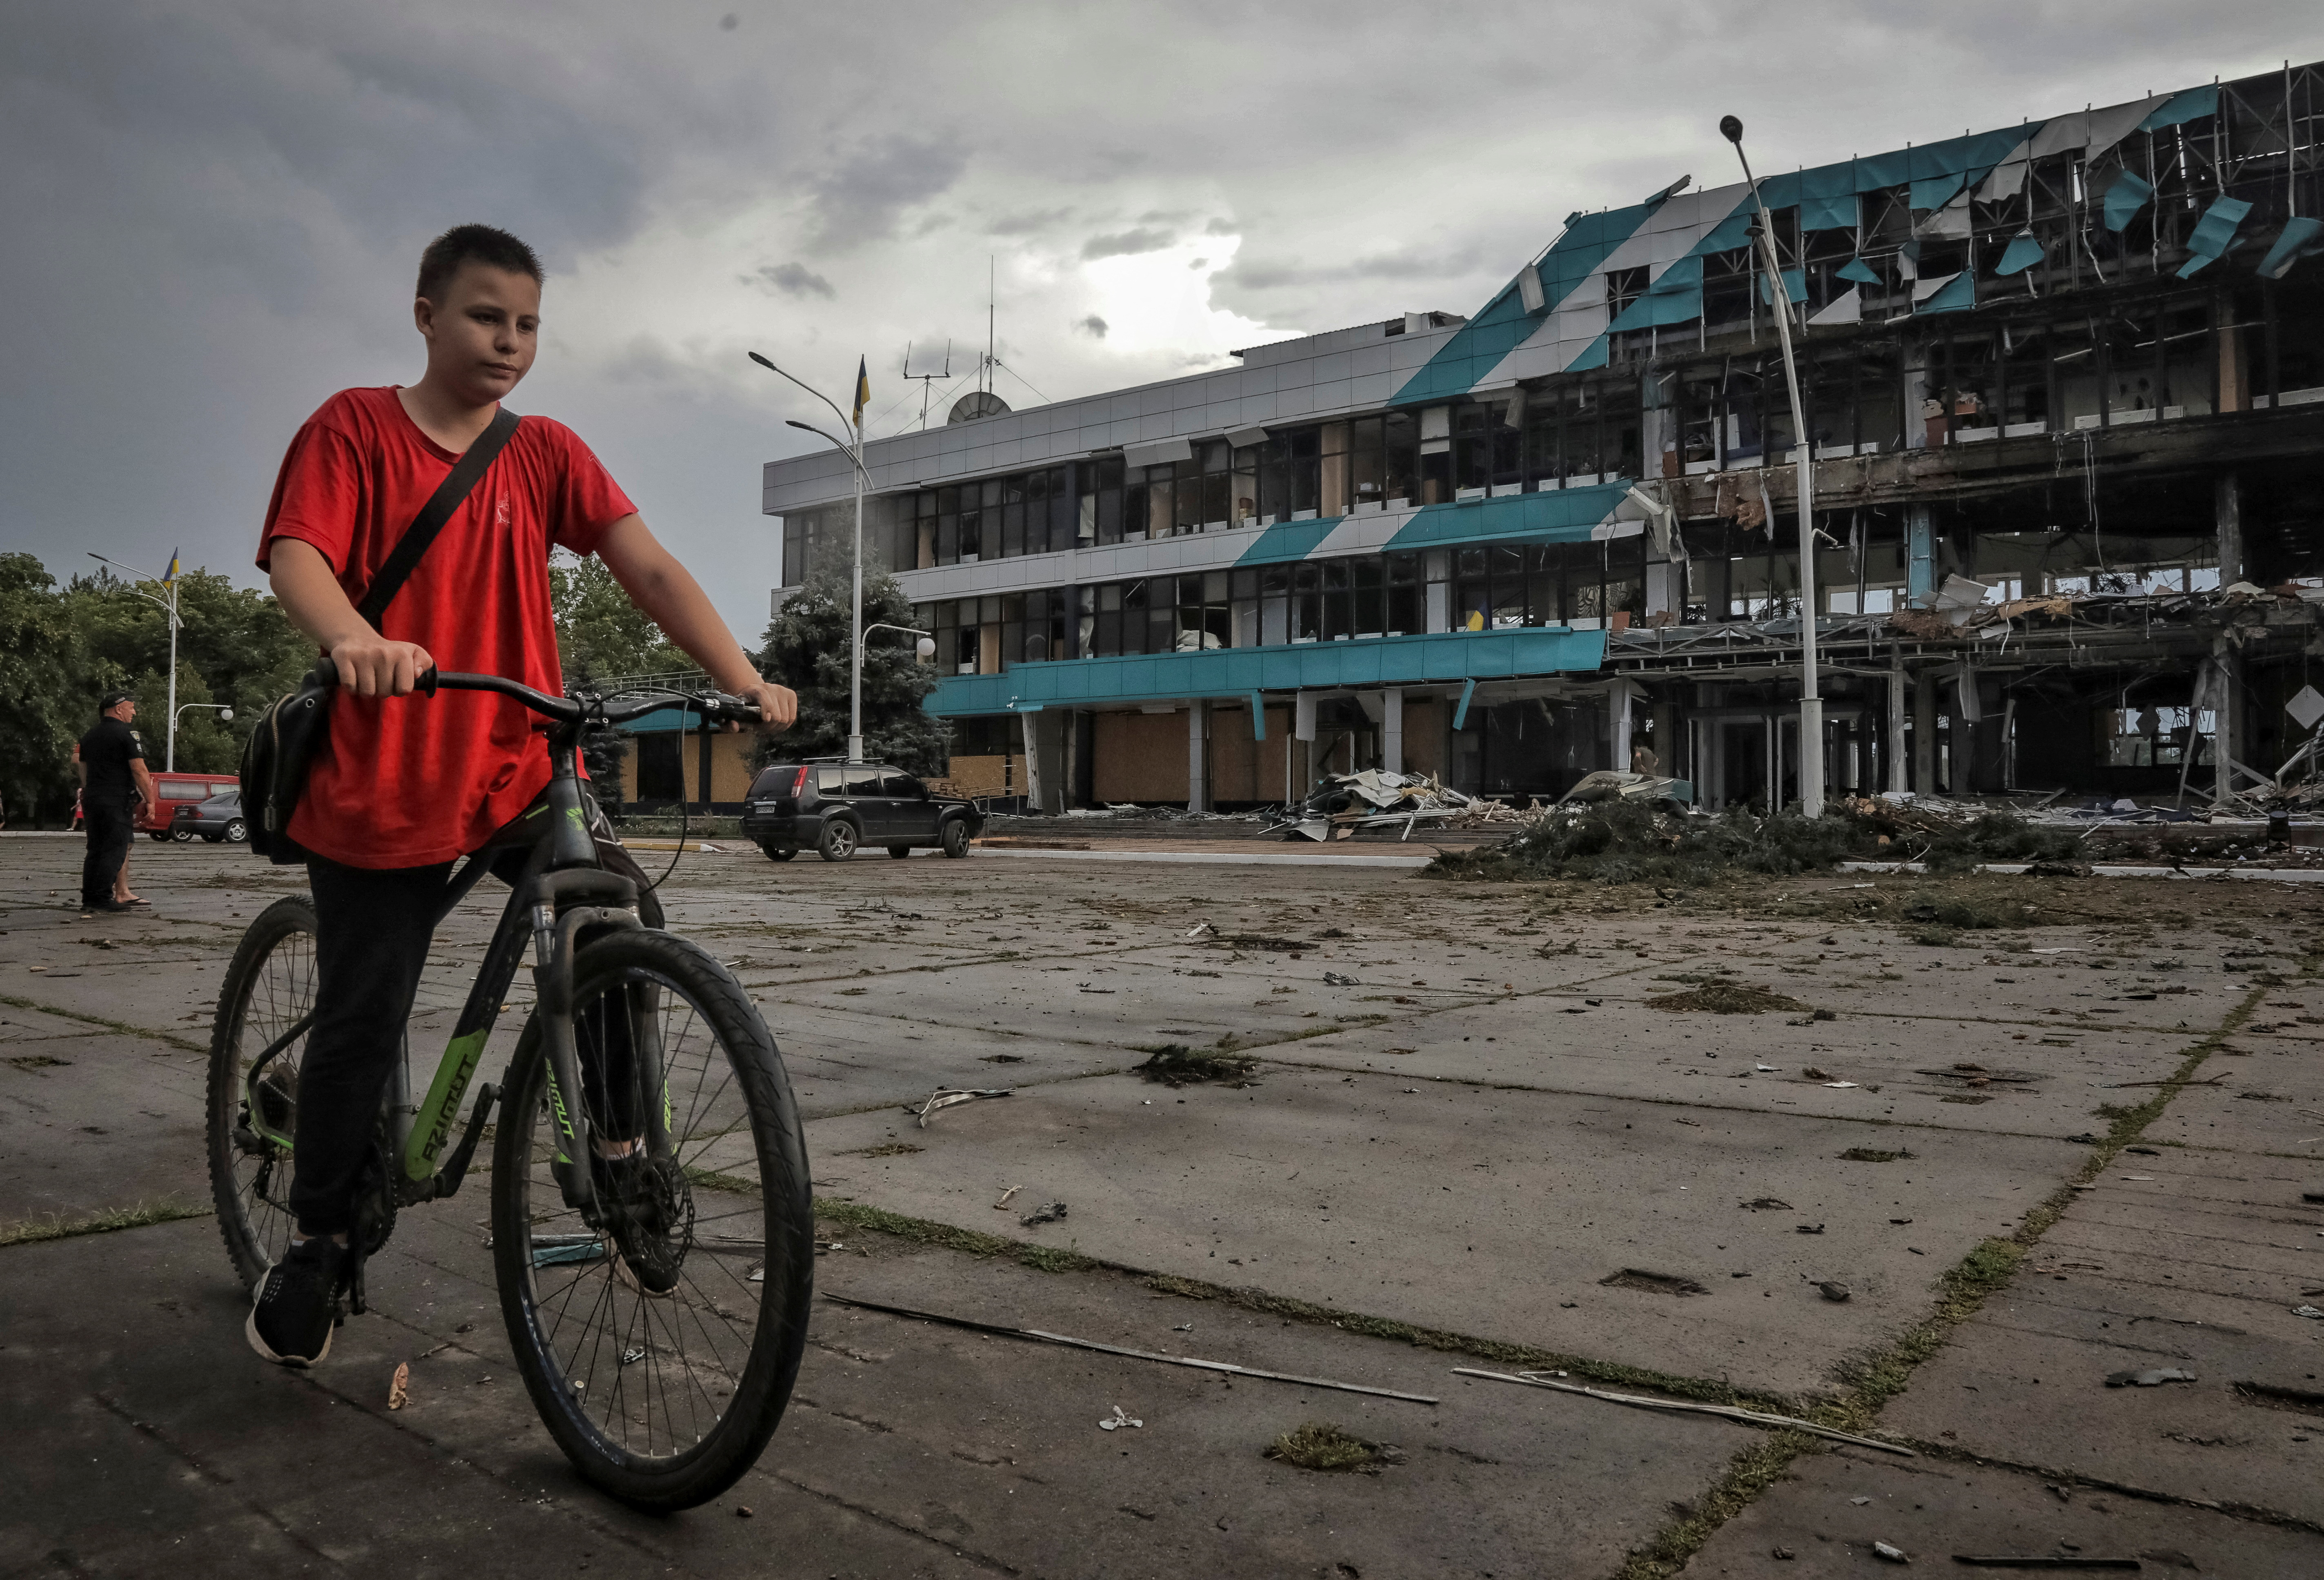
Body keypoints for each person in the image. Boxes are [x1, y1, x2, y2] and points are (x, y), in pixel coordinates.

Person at [245, 224, 798, 1367]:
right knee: (365, 1015)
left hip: (515, 765)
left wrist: (738, 678)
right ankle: (317, 1238)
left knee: (613, 918)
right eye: (485, 316)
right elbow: (298, 550)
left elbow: (644, 565)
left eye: (528, 324)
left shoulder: (543, 450)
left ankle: (617, 1146)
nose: (507, 341)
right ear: (425, 314)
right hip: (385, 776)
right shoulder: (352, 427)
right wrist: (357, 640)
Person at [77, 691, 154, 917]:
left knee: (96, 849)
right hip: (115, 799)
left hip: (93, 798)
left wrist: (89, 789)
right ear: (118, 709)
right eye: (131, 707)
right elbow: (139, 769)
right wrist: (150, 800)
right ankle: (102, 899)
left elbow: (83, 767)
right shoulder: (127, 733)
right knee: (114, 848)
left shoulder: (90, 735)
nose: (134, 711)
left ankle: (90, 898)